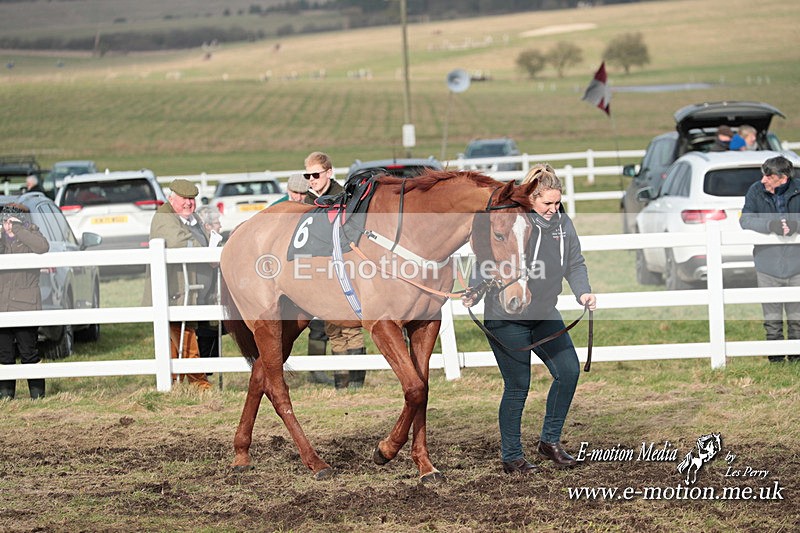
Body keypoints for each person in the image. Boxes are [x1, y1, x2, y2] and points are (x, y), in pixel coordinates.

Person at [463, 163, 597, 474]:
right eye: (547, 203)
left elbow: (575, 262)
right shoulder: (514, 222)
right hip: (506, 318)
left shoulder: (563, 225)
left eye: (557, 202)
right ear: (531, 199)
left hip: (544, 313)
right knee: (518, 384)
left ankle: (549, 441)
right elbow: (488, 257)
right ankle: (512, 457)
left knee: (569, 371)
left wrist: (583, 292)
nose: (553, 209)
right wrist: (474, 290)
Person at [303, 151, 366, 389]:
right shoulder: (308, 201)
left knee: (350, 327)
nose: (311, 179)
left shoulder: (342, 197)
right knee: (333, 329)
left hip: (343, 270)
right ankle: (342, 381)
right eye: (308, 175)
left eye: (316, 174)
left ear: (329, 173)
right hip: (319, 273)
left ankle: (356, 382)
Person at [142, 179, 214, 390]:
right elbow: (179, 242)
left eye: (192, 199)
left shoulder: (192, 217)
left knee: (178, 336)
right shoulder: (165, 217)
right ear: (171, 198)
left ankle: (175, 381)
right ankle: (199, 383)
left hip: (191, 289)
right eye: (184, 199)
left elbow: (205, 237)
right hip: (174, 289)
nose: (189, 203)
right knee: (184, 332)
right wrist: (207, 249)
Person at [739, 155, 800, 363]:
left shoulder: (798, 190)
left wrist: (796, 226)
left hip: (797, 264)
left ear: (782, 178)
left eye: (769, 176)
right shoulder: (756, 190)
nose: (763, 180)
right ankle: (775, 360)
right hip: (767, 264)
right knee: (772, 319)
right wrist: (770, 226)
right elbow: (745, 219)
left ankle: (796, 359)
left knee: (797, 318)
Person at [0, 203, 50, 399]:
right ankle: (6, 396)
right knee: (4, 355)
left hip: (25, 305)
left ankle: (37, 396)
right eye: (5, 221)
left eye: (11, 221)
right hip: (2, 305)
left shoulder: (31, 234)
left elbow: (42, 247)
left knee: (29, 352)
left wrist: (19, 229)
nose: (8, 225)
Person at [194, 205, 225, 365]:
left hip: (213, 295)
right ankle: (206, 368)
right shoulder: (207, 242)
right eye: (217, 222)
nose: (220, 226)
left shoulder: (213, 240)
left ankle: (210, 367)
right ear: (208, 226)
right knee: (207, 333)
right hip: (205, 296)